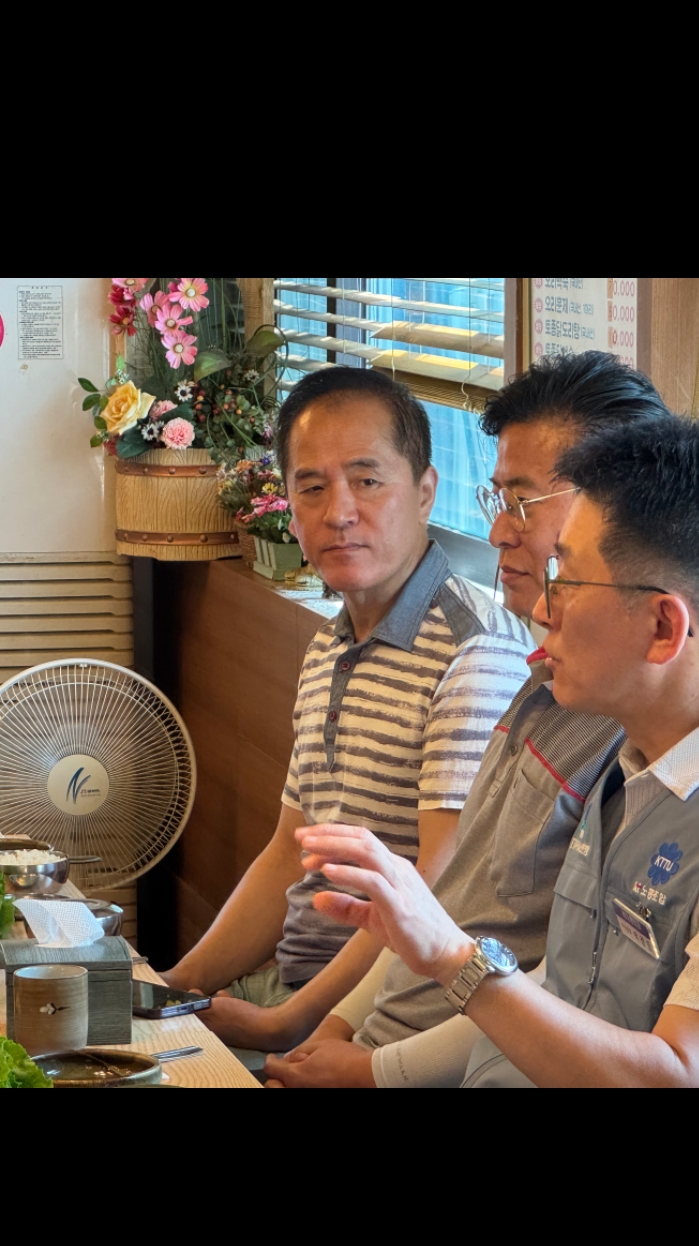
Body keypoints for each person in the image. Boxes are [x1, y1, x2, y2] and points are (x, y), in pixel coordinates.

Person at [281, 416, 699, 1091]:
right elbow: (568, 982)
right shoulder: (636, 755)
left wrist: (454, 959)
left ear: (663, 627)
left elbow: (691, 1077)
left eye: (567, 580)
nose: (546, 611)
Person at [257, 349, 668, 1084]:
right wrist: (334, 1030)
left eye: (524, 504)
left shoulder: (520, 674)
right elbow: (436, 903)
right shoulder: (542, 686)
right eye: (497, 500)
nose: (499, 533)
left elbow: (555, 979)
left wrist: (369, 1065)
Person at [161, 365, 530, 1039]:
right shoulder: (331, 645)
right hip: (293, 986)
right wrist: (171, 989)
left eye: (367, 481)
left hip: (384, 1022)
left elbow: (437, 885)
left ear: (425, 492)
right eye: (312, 487)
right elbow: (289, 851)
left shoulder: (476, 651)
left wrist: (288, 1025)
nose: (339, 513)